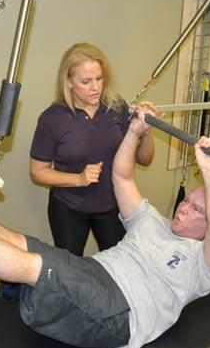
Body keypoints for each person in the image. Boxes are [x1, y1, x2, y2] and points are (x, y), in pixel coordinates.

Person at [0, 107, 210, 348]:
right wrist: (135, 133)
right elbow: (122, 177)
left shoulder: (203, 264)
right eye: (187, 202)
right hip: (95, 269)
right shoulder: (152, 221)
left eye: (197, 211)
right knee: (22, 242)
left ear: (208, 227)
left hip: (121, 310)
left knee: (33, 267)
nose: (184, 208)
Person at [29, 42, 155, 255]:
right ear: (69, 82)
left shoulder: (116, 108)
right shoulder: (53, 118)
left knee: (118, 267)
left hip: (113, 205)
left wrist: (146, 132)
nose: (95, 87)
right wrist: (78, 179)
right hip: (68, 208)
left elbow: (144, 159)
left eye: (99, 78)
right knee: (71, 271)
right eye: (86, 81)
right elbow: (37, 171)